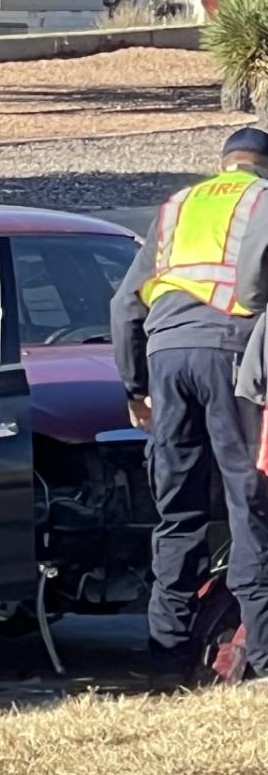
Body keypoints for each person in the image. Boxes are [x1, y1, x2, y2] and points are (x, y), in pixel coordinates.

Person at [112, 125, 268, 687]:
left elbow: (125, 304)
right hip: (231, 355)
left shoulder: (177, 206)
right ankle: (263, 663)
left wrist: (135, 387)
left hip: (166, 356)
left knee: (178, 514)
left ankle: (166, 662)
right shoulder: (263, 199)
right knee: (247, 503)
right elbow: (254, 287)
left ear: (224, 162)